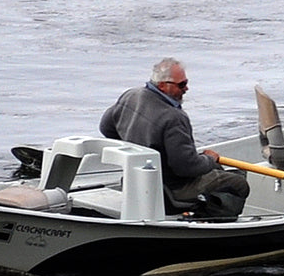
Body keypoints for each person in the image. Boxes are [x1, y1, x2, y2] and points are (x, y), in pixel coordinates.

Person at [99, 57, 250, 210]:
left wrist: (131, 147)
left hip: (137, 181)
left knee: (215, 167)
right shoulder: (173, 117)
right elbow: (186, 167)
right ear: (163, 86)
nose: (186, 89)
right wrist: (210, 159)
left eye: (186, 82)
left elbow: (106, 127)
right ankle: (216, 222)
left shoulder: (131, 95)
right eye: (182, 84)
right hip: (173, 189)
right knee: (239, 183)